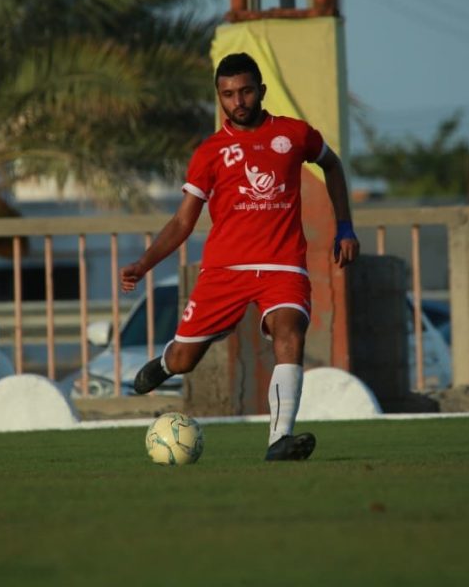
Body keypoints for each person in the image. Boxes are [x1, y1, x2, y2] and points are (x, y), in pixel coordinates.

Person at [120, 52, 360, 461]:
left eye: (246, 91)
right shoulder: (210, 152)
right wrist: (143, 264)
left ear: (261, 90)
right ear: (219, 97)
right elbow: (182, 221)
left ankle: (279, 439)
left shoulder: (294, 134)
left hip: (283, 265)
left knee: (290, 333)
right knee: (185, 359)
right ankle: (166, 363)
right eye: (228, 94)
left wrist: (345, 226)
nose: (238, 101)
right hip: (224, 270)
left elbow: (332, 165)